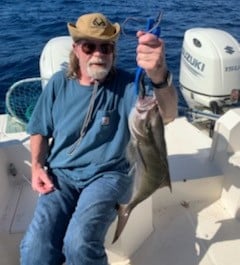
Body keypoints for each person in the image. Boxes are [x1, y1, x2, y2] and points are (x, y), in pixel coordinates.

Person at [20, 12, 178, 265]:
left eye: (106, 47)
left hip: (109, 174)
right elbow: (39, 128)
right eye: (89, 46)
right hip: (61, 174)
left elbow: (168, 114)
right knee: (34, 247)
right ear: (76, 49)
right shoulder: (59, 83)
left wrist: (159, 74)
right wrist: (38, 167)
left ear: (113, 51)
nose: (98, 53)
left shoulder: (128, 84)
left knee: (79, 243)